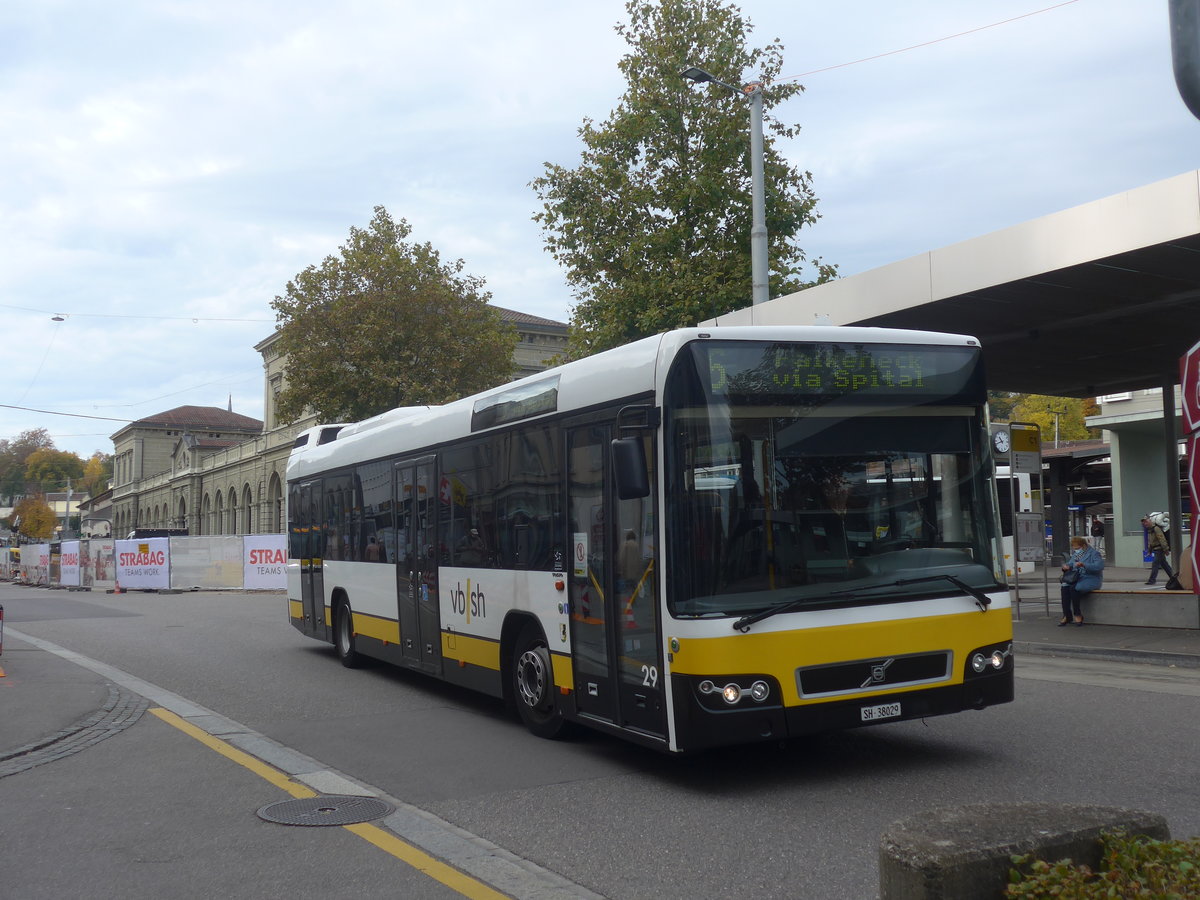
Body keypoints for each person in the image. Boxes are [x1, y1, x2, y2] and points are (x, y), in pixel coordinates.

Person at [1059, 535, 1104, 626]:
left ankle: (1077, 614)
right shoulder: (1076, 555)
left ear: (1083, 546)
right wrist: (1066, 566)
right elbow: (1070, 563)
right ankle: (1067, 615)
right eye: (1074, 547)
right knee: (1064, 587)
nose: (1076, 549)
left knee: (1074, 588)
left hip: (1091, 578)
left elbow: (1099, 567)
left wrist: (1084, 565)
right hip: (1077, 577)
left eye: (1077, 547)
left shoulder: (1094, 553)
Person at [1141, 514, 1176, 587]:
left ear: (1150, 521)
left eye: (1146, 521)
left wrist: (1166, 549)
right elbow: (1151, 542)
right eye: (1143, 522)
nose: (1145, 523)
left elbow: (1161, 539)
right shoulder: (1150, 530)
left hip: (1159, 549)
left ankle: (1152, 580)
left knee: (1155, 564)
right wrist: (1149, 551)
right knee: (1165, 565)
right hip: (1156, 549)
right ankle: (1174, 578)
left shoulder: (1156, 528)